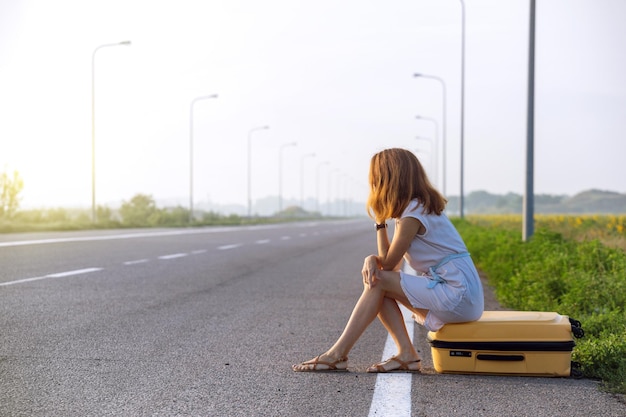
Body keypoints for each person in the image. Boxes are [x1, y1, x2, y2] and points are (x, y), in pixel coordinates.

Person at [292, 148, 484, 373]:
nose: (373, 184)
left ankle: (337, 354)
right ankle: (405, 355)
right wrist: (381, 222)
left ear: (388, 178)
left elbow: (388, 263)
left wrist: (372, 258)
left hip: (457, 293)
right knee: (377, 283)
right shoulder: (415, 207)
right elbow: (388, 265)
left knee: (378, 280)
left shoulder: (413, 212)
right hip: (461, 293)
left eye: (375, 178)